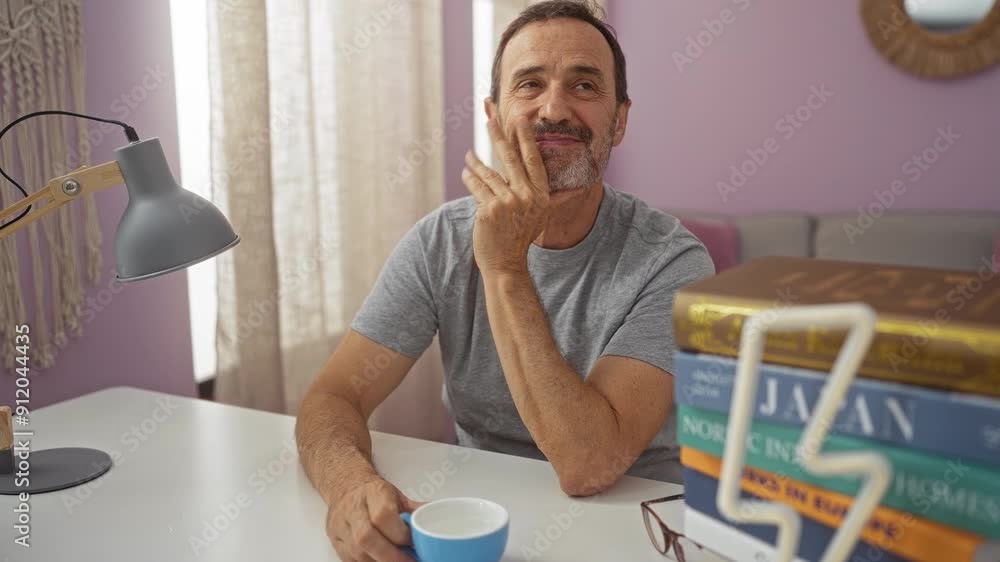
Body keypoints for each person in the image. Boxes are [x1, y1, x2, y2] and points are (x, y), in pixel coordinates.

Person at [294, 1, 714, 560]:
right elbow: (334, 394)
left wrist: (504, 267)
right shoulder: (438, 240)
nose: (554, 109)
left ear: (620, 119)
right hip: (482, 520)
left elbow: (592, 464)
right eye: (530, 85)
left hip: (633, 529)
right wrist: (349, 487)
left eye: (584, 85)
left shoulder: (673, 263)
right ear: (495, 117)